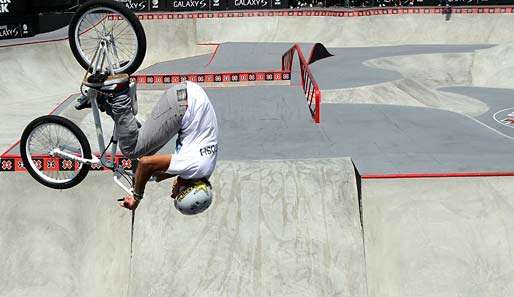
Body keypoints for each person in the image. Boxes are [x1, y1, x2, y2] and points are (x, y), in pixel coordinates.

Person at [90, 76, 218, 214]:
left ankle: (101, 100)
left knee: (143, 149)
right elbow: (146, 164)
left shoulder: (202, 172)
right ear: (186, 189)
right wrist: (137, 197)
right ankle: (119, 93)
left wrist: (160, 175)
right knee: (131, 150)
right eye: (177, 195)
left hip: (189, 99)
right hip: (183, 103)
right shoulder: (196, 167)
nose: (172, 195)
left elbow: (181, 168)